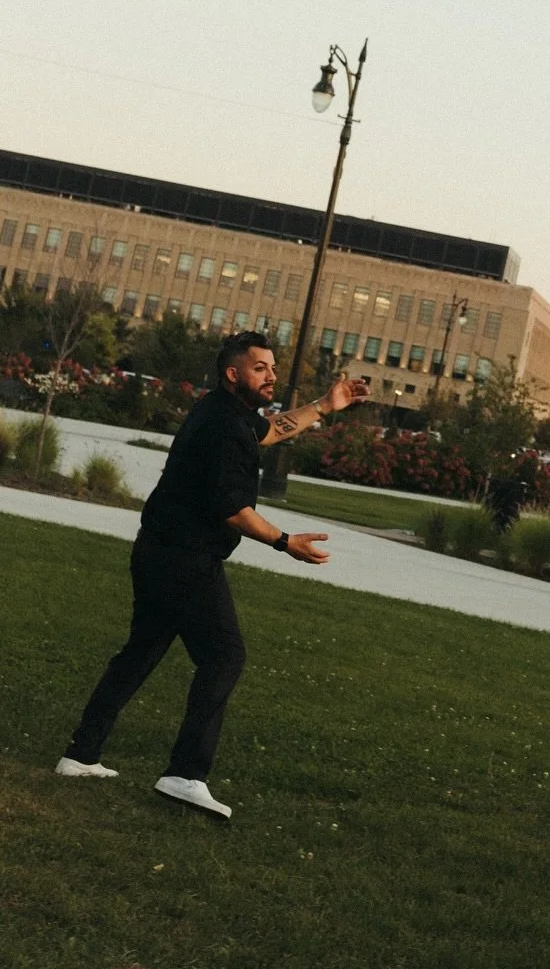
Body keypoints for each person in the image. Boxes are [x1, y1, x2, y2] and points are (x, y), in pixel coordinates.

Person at [56, 332, 368, 820]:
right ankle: (186, 774)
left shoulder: (224, 413)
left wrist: (324, 406)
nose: (271, 376)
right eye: (260, 368)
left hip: (157, 550)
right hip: (185, 557)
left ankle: (80, 755)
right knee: (224, 654)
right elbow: (233, 510)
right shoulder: (224, 427)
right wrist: (286, 542)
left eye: (271, 368)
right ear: (233, 374)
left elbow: (268, 431)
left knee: (141, 653)